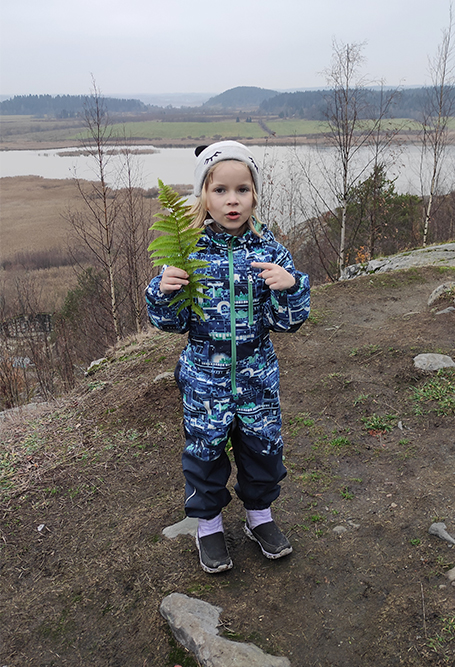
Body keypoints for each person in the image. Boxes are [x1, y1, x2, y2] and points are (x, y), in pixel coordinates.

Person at [146, 141, 310, 573]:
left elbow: (288, 322)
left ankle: (260, 519)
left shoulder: (269, 250)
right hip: (205, 377)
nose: (232, 200)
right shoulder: (190, 252)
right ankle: (209, 527)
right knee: (206, 453)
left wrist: (290, 287)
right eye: (220, 190)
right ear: (204, 194)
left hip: (257, 376)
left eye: (242, 190)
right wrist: (163, 294)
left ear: (255, 195)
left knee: (262, 451)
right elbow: (169, 324)